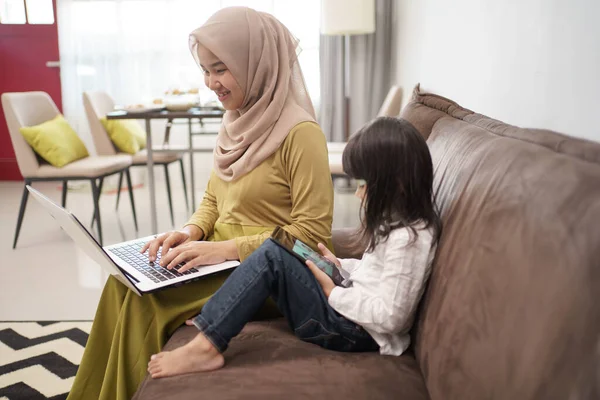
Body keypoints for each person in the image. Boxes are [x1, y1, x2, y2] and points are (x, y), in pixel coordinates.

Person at [67, 7, 333, 400]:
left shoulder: (301, 133)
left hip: (265, 275)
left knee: (148, 302)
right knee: (120, 283)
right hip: (216, 256)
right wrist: (189, 232)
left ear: (255, 63)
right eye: (206, 70)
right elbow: (214, 198)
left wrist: (222, 250)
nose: (211, 82)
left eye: (221, 68)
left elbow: (311, 235)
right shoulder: (235, 121)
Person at [147, 117, 442, 378]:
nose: (358, 192)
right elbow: (377, 276)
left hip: (352, 331)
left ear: (398, 184)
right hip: (349, 313)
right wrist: (341, 266)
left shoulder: (410, 238)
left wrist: (333, 292)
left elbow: (392, 317)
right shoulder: (401, 224)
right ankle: (219, 317)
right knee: (282, 246)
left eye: (365, 183)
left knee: (271, 256)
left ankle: (207, 345)